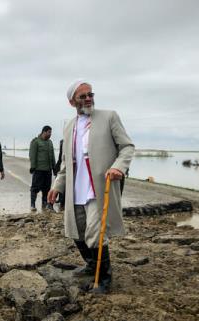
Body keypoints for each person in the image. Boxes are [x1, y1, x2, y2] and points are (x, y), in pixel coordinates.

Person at [47, 80, 135, 294]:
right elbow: (67, 162)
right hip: (76, 186)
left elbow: (127, 147)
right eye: (82, 96)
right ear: (72, 102)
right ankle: (90, 264)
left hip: (99, 185)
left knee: (96, 231)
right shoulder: (69, 126)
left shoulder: (109, 117)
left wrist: (118, 167)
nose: (88, 99)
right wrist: (57, 185)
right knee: (76, 229)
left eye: (90, 94)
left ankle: (104, 278)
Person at [29, 125, 56, 211]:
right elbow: (32, 155)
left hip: (48, 170)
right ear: (44, 132)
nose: (50, 134)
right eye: (49, 132)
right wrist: (33, 167)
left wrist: (54, 168)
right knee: (35, 188)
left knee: (46, 189)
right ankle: (32, 204)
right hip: (38, 170)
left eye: (51, 132)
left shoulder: (50, 142)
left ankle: (44, 204)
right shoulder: (36, 142)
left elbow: (52, 156)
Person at [54, 139, 65, 210]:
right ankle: (61, 202)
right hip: (62, 164)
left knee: (63, 186)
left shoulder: (63, 141)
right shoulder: (63, 141)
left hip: (63, 164)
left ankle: (62, 202)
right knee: (60, 184)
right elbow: (60, 157)